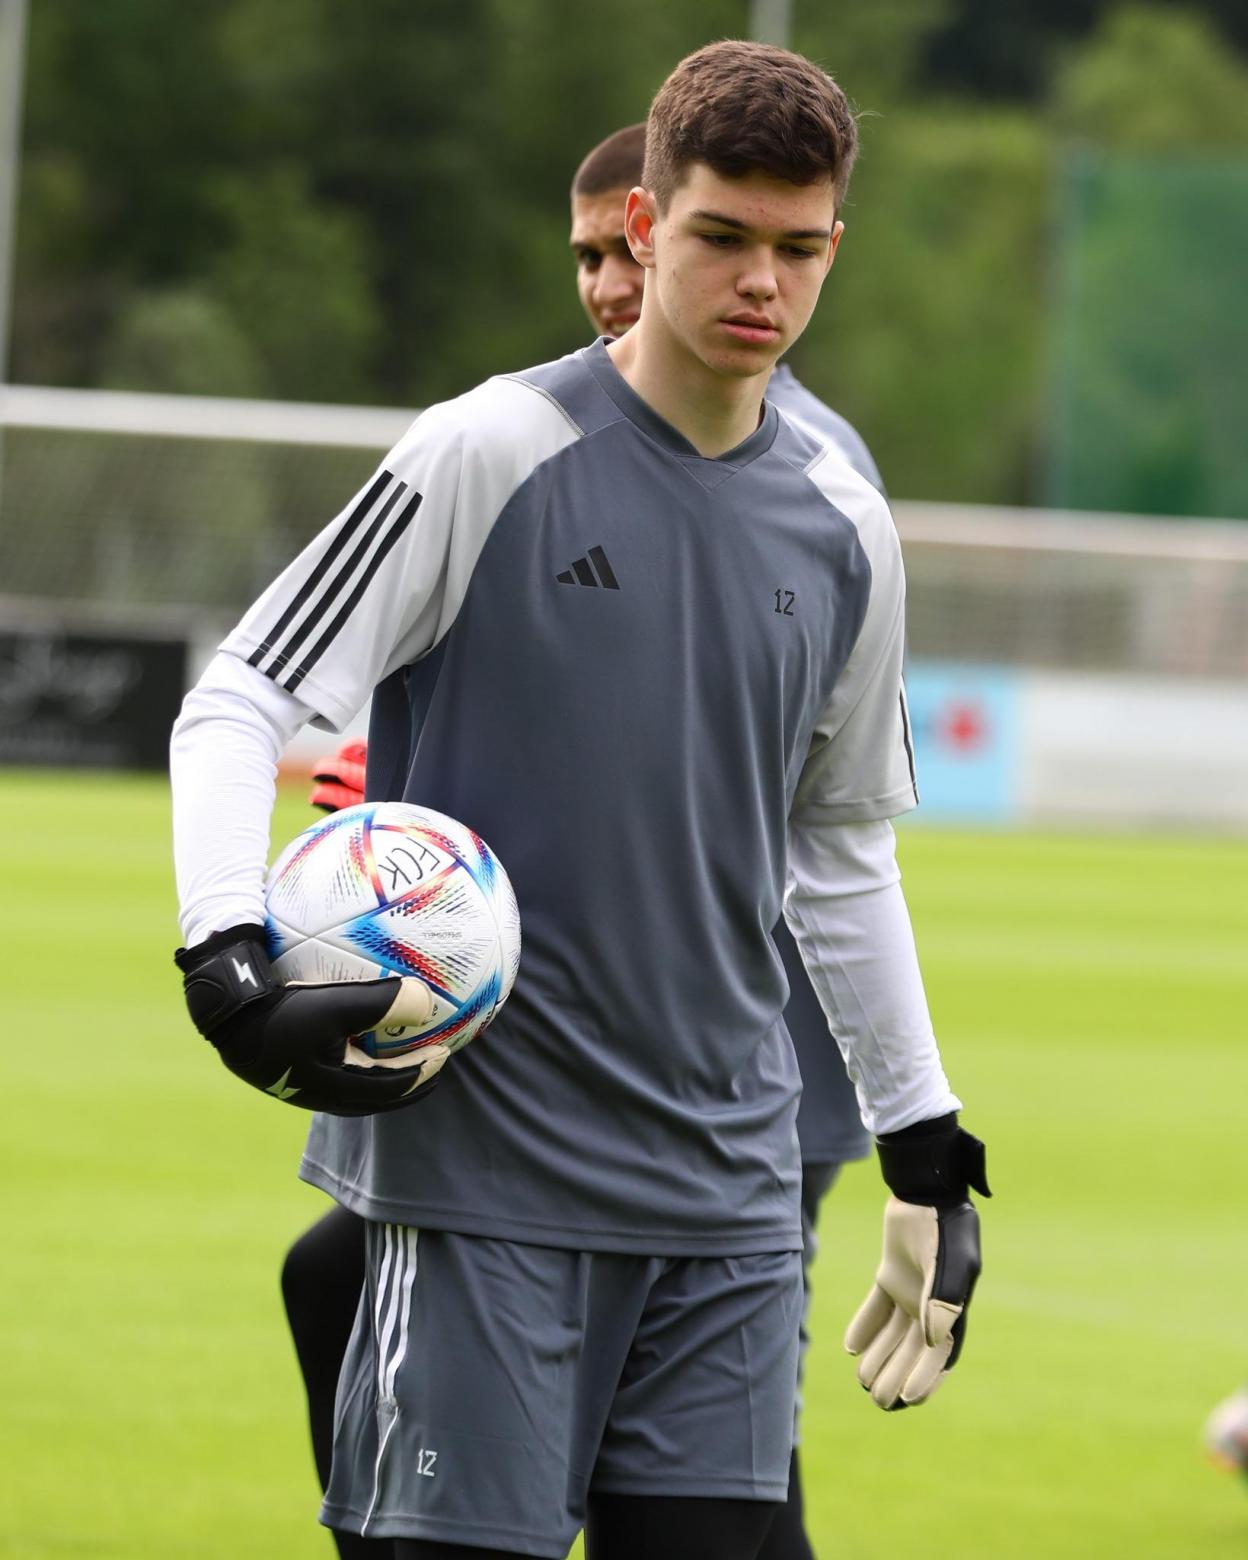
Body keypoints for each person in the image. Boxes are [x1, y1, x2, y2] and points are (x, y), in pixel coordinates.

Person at [172, 40, 988, 1560]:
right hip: (486, 1188)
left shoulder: (847, 523)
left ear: (835, 244)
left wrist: (923, 1138)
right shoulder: (486, 451)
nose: (763, 281)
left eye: (800, 248)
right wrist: (225, 954)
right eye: (722, 236)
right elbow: (240, 702)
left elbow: (838, 849)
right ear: (643, 227)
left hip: (731, 1198)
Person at [289, 118, 884, 1560]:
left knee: (733, 1473)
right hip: (562, 1084)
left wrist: (911, 1107)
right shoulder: (516, 445)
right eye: (589, 258)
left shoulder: (821, 480)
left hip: (741, 1074)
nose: (610, 285)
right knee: (334, 1281)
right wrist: (425, 804)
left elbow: (824, 822)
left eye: (780, 246)